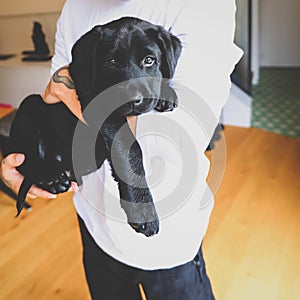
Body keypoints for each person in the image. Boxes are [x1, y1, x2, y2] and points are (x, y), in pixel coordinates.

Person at [0, 0, 242, 299]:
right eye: (113, 63)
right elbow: (54, 95)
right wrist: (30, 164)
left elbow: (176, 138)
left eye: (149, 62)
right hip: (93, 221)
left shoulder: (201, 5)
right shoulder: (76, 6)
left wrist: (83, 93)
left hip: (168, 240)